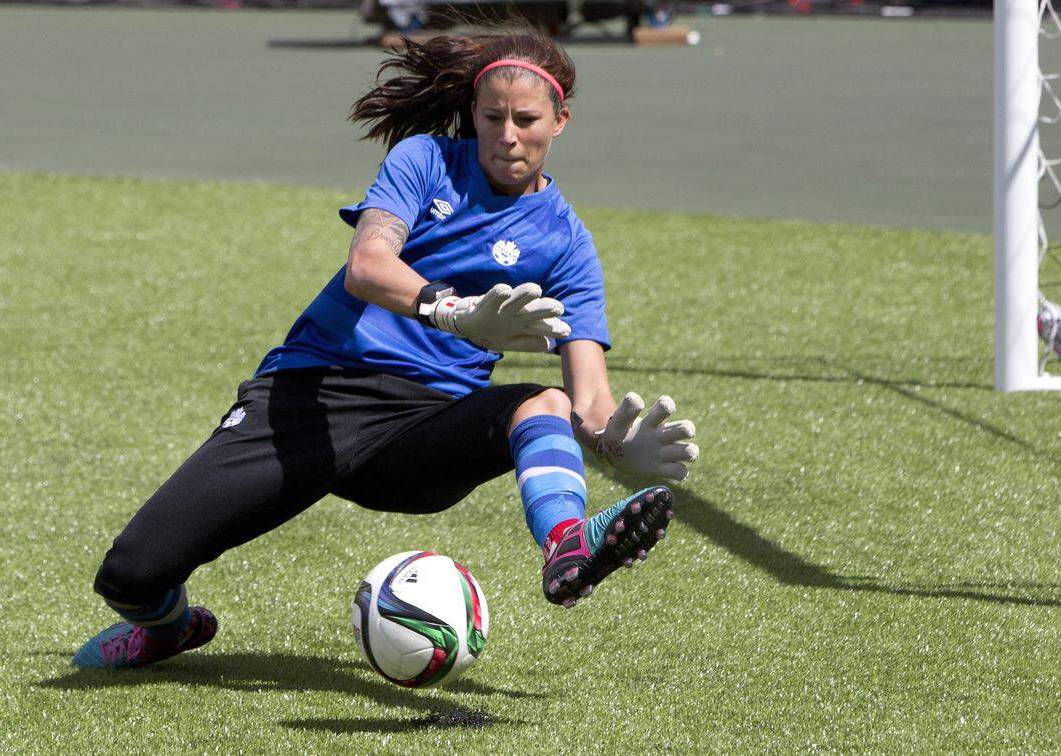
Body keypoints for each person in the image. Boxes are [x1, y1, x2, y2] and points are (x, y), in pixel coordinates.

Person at [72, 29, 699, 670]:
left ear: (560, 120)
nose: (507, 135)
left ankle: (567, 542)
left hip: (423, 430)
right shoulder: (424, 159)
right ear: (473, 113)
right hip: (315, 396)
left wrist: (613, 444)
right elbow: (367, 266)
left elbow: (588, 394)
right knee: (131, 575)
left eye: (527, 119)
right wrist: (454, 312)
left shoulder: (567, 243)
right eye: (492, 117)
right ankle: (170, 629)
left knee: (543, 401)